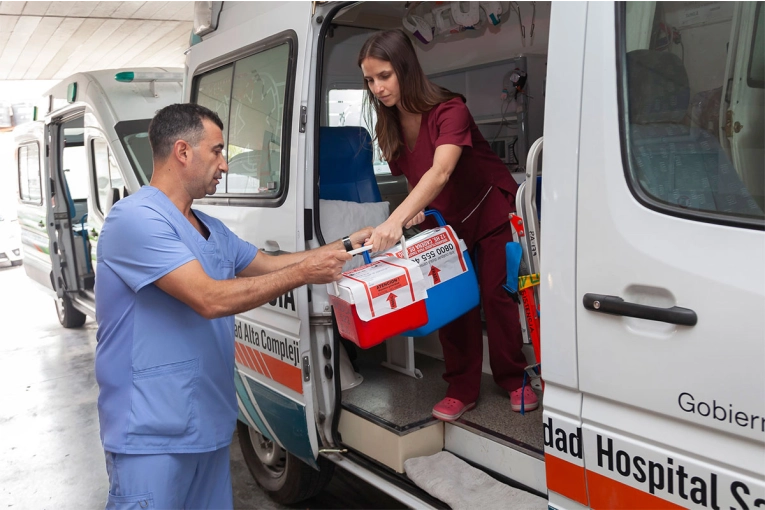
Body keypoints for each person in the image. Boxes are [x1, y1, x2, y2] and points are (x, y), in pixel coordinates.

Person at [94, 103, 372, 509]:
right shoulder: (133, 220)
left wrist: (348, 244)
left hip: (205, 425)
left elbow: (271, 263)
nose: (224, 165)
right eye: (217, 151)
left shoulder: (209, 228)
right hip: (150, 436)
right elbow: (208, 297)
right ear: (183, 152)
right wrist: (306, 273)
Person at [358, 30, 537, 421]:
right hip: (448, 225)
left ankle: (513, 378)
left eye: (384, 75)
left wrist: (395, 220)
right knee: (453, 301)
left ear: (405, 68)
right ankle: (462, 387)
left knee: (496, 296)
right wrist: (417, 212)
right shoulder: (388, 128)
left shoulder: (449, 109)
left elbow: (440, 172)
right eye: (370, 80)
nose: (378, 88)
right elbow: (415, 179)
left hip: (488, 213)